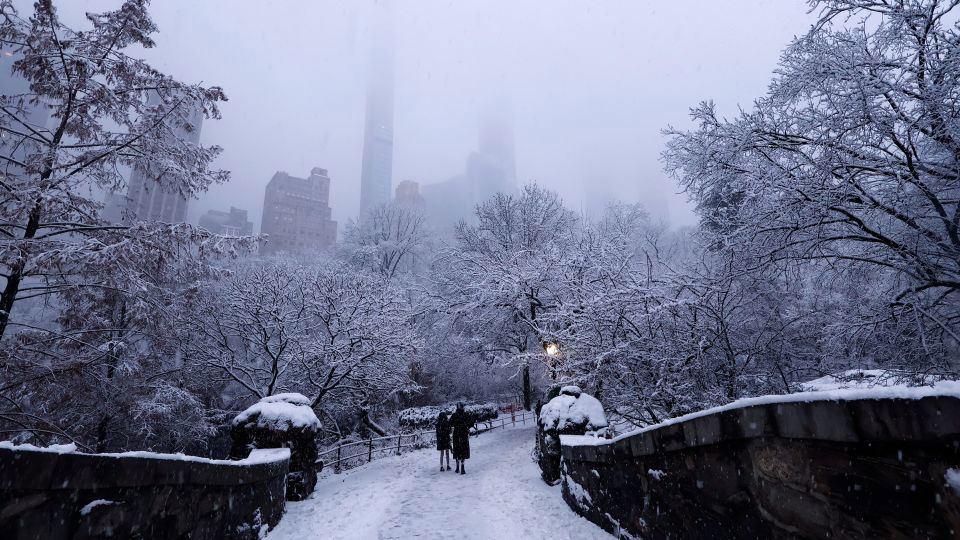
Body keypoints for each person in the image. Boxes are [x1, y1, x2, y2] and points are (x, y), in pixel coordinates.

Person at [448, 402, 472, 474]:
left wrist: (456, 425)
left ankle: (457, 467)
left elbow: (450, 423)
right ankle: (462, 467)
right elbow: (471, 423)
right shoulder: (466, 415)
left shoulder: (454, 415)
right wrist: (466, 425)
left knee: (457, 449)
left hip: (456, 434)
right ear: (462, 407)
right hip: (464, 433)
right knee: (463, 450)